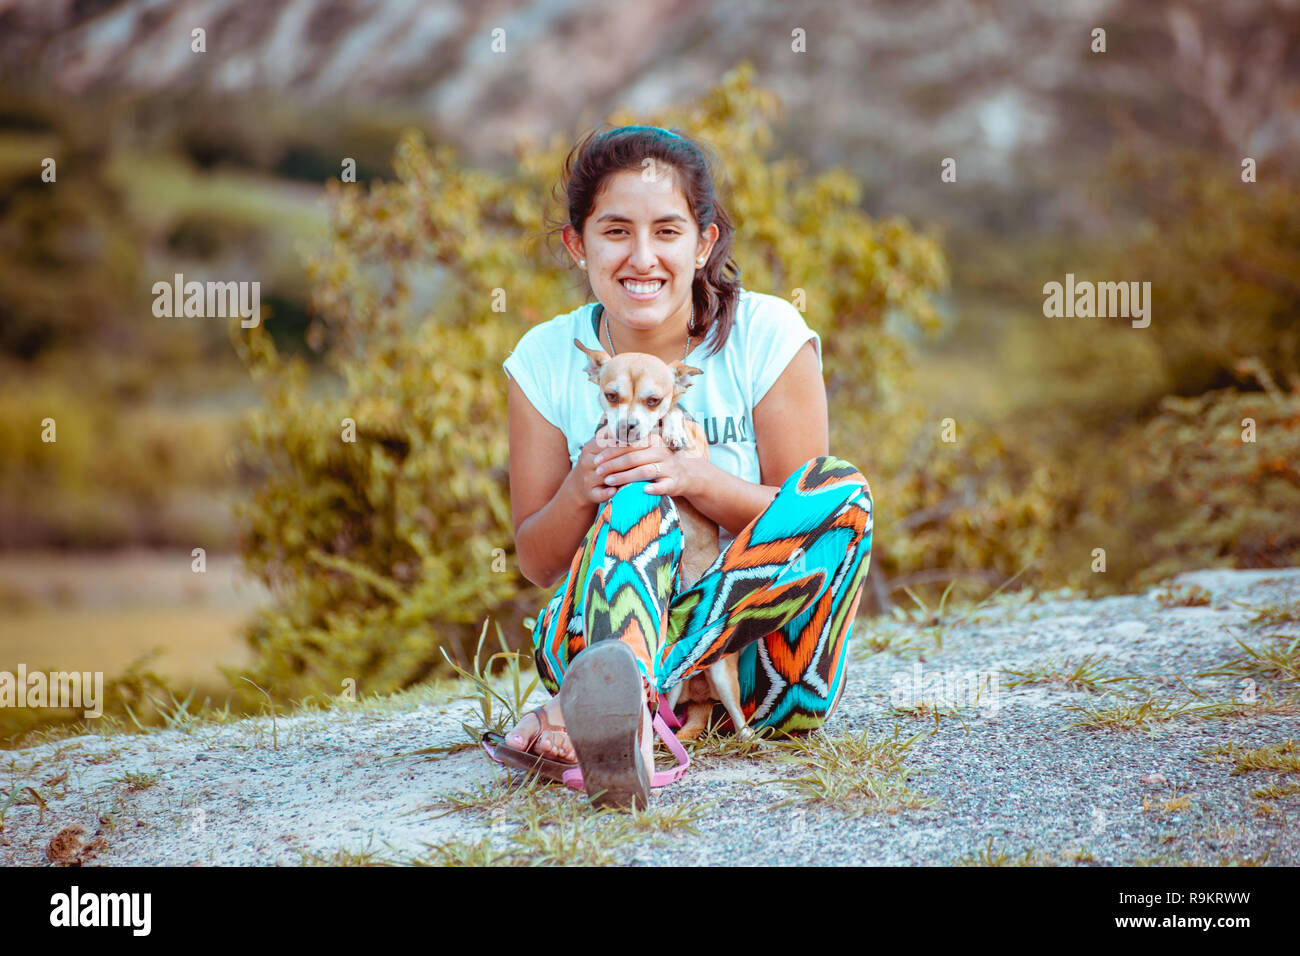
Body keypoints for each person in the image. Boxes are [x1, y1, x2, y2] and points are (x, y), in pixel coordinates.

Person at [498, 125, 874, 807]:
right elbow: (536, 559)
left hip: (771, 680)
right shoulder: (544, 359)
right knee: (632, 502)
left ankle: (611, 705)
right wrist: (585, 487)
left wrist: (697, 480)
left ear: (703, 243)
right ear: (577, 244)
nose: (643, 257)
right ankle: (623, 708)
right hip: (592, 645)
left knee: (844, 490)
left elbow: (810, 522)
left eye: (667, 231)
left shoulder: (767, 335)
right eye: (615, 232)